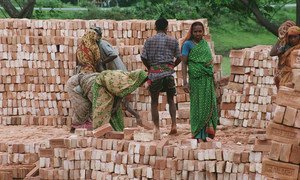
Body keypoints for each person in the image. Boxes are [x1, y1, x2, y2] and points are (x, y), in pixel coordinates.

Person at [66, 69, 148, 131]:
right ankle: (75, 130)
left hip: (92, 84)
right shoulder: (119, 81)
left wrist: (137, 116)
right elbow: (105, 109)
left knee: (107, 111)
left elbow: (123, 104)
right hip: (75, 84)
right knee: (84, 108)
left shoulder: (125, 85)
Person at [141, 17, 181, 138]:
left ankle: (157, 129)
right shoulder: (173, 40)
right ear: (166, 28)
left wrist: (150, 68)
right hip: (168, 75)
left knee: (154, 102)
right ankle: (174, 125)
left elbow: (143, 57)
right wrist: (171, 66)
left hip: (155, 75)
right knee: (170, 100)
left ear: (155, 28)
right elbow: (179, 57)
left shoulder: (149, 41)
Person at [181, 21, 218, 142]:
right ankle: (197, 135)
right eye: (195, 31)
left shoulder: (205, 44)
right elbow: (184, 63)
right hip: (196, 79)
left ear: (203, 32)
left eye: (200, 31)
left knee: (209, 104)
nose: (198, 34)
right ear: (192, 32)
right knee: (198, 105)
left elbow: (209, 63)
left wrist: (214, 79)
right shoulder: (187, 44)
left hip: (207, 79)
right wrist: (185, 81)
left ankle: (207, 134)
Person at [270, 24, 300, 88]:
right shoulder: (286, 47)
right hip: (285, 76)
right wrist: (280, 39)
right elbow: (272, 53)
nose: (293, 39)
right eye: (290, 37)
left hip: (297, 77)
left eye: (295, 37)